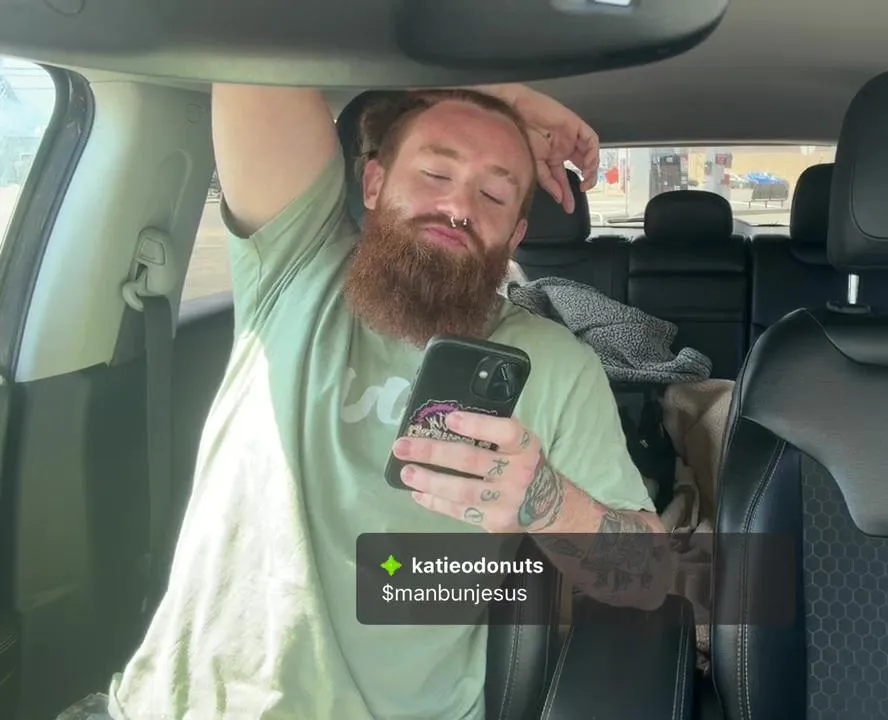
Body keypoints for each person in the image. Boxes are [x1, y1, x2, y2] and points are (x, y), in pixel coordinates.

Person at [65, 83, 673, 719]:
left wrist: (546, 502)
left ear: (516, 235)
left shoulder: (558, 366)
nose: (458, 207)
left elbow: (648, 581)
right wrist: (500, 92)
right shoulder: (295, 267)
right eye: (435, 172)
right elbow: (255, 62)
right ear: (375, 182)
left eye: (493, 195)